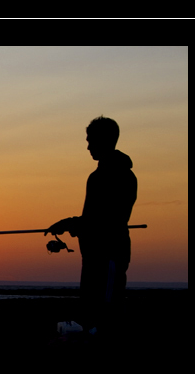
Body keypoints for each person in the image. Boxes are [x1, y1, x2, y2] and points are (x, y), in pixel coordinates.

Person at [46, 115, 137, 341]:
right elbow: (93, 218)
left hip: (109, 254)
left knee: (108, 308)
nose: (87, 147)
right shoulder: (97, 176)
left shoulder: (121, 175)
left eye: (91, 141)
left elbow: (109, 219)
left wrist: (73, 223)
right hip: (92, 255)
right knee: (90, 308)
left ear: (104, 140)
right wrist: (73, 223)